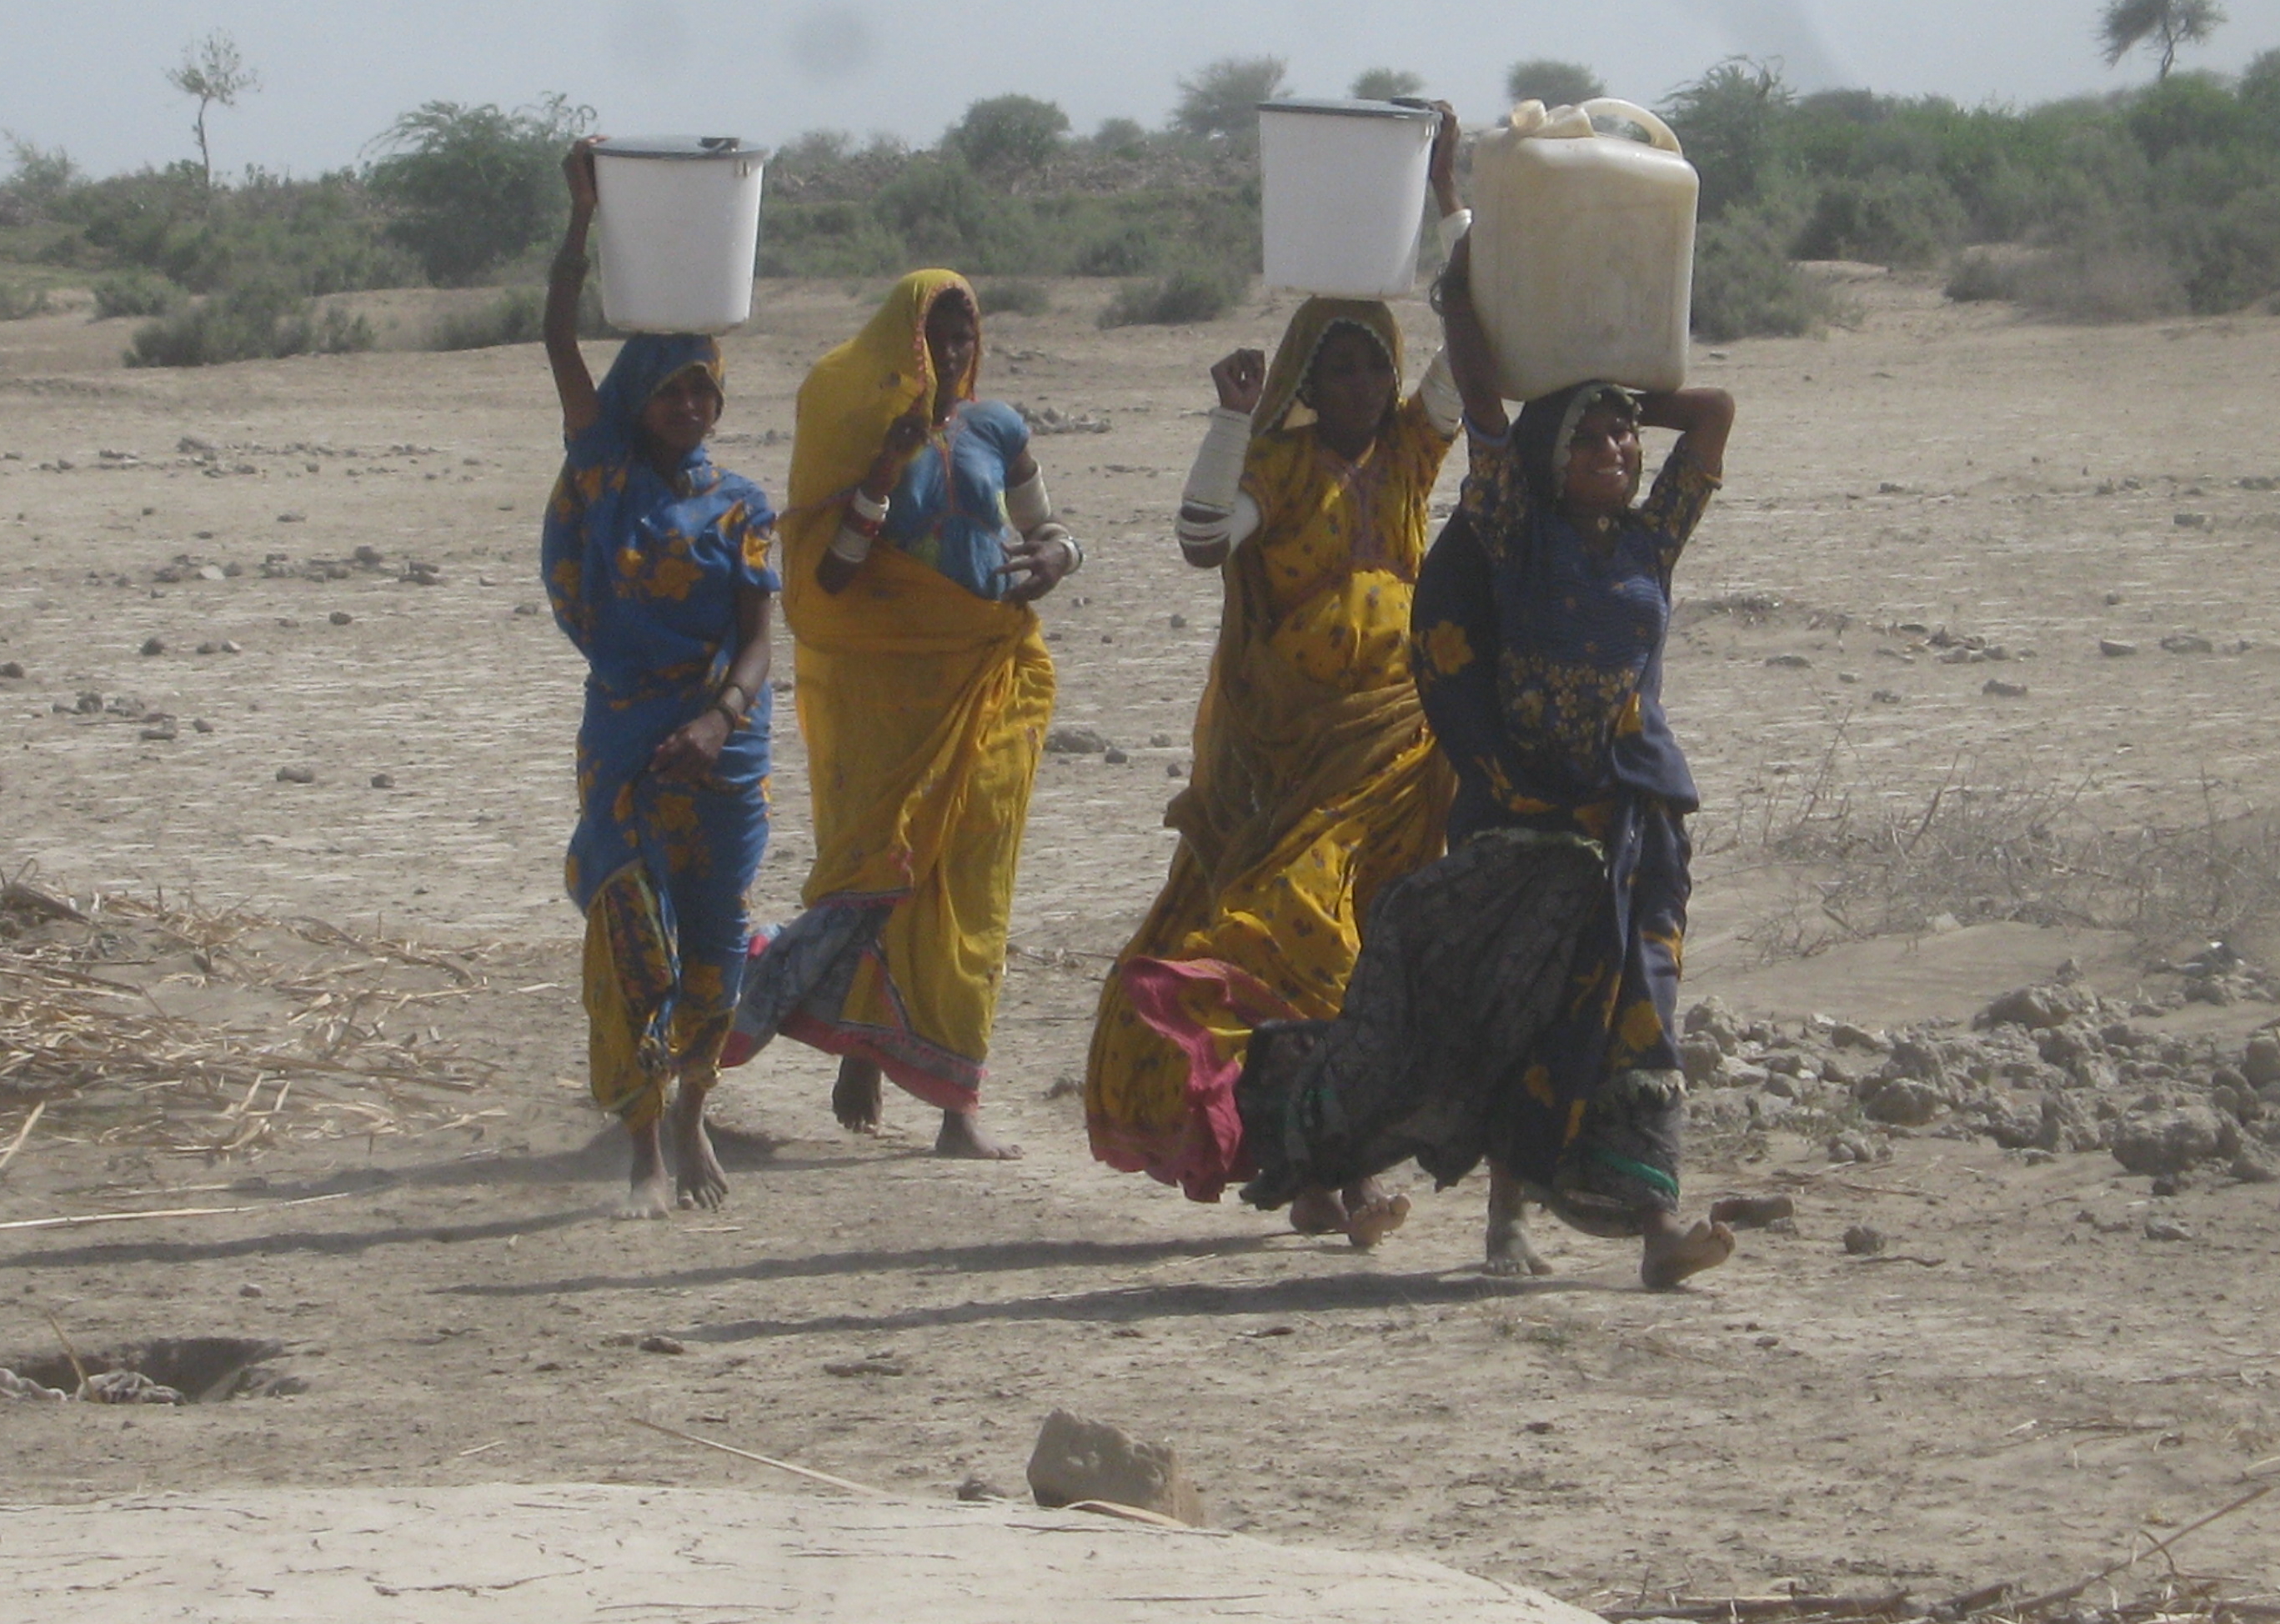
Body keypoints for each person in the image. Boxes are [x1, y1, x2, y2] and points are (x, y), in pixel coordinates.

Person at [1227, 222, 1738, 1291]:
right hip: (1521, 816)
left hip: (1631, 819)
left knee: (1635, 1013)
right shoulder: (1515, 528)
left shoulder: (1653, 540)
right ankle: (1502, 1220)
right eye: (1592, 442)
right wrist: (1468, 304)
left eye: (1624, 445)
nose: (1618, 454)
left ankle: (1655, 1224)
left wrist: (1610, 383)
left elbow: (1714, 413)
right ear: (1551, 459)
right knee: (1514, 1013)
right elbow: (1488, 415)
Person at [1085, 125, 1470, 1244]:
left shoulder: (1407, 455)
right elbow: (1205, 538)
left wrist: (1448, 198)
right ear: (1306, 375)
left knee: (1373, 950)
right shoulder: (1278, 467)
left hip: (1398, 755)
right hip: (1293, 763)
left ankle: (1324, 1183)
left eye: (1373, 363)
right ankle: (1326, 1175)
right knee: (1300, 939)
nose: (1361, 382)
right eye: (1337, 364)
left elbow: (1479, 340)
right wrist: (1229, 417)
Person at [724, 270, 1073, 1159]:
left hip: (990, 674)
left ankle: (960, 1109)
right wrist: (884, 470)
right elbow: (834, 575)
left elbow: (1047, 530)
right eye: (934, 339)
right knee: (885, 870)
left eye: (962, 337)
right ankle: (862, 1052)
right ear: (903, 347)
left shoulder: (999, 427)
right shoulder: (865, 438)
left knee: (976, 883)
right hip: (887, 696)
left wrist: (1057, 559)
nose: (951, 354)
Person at [540, 141, 778, 1217]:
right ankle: (639, 1134)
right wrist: (584, 222)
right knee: (632, 930)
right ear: (639, 397)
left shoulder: (743, 506)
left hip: (723, 746)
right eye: (672, 389)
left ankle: (691, 1107)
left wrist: (723, 721)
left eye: (704, 390)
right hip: (631, 735)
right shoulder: (604, 470)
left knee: (716, 935)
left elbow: (763, 635)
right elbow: (556, 338)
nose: (690, 405)